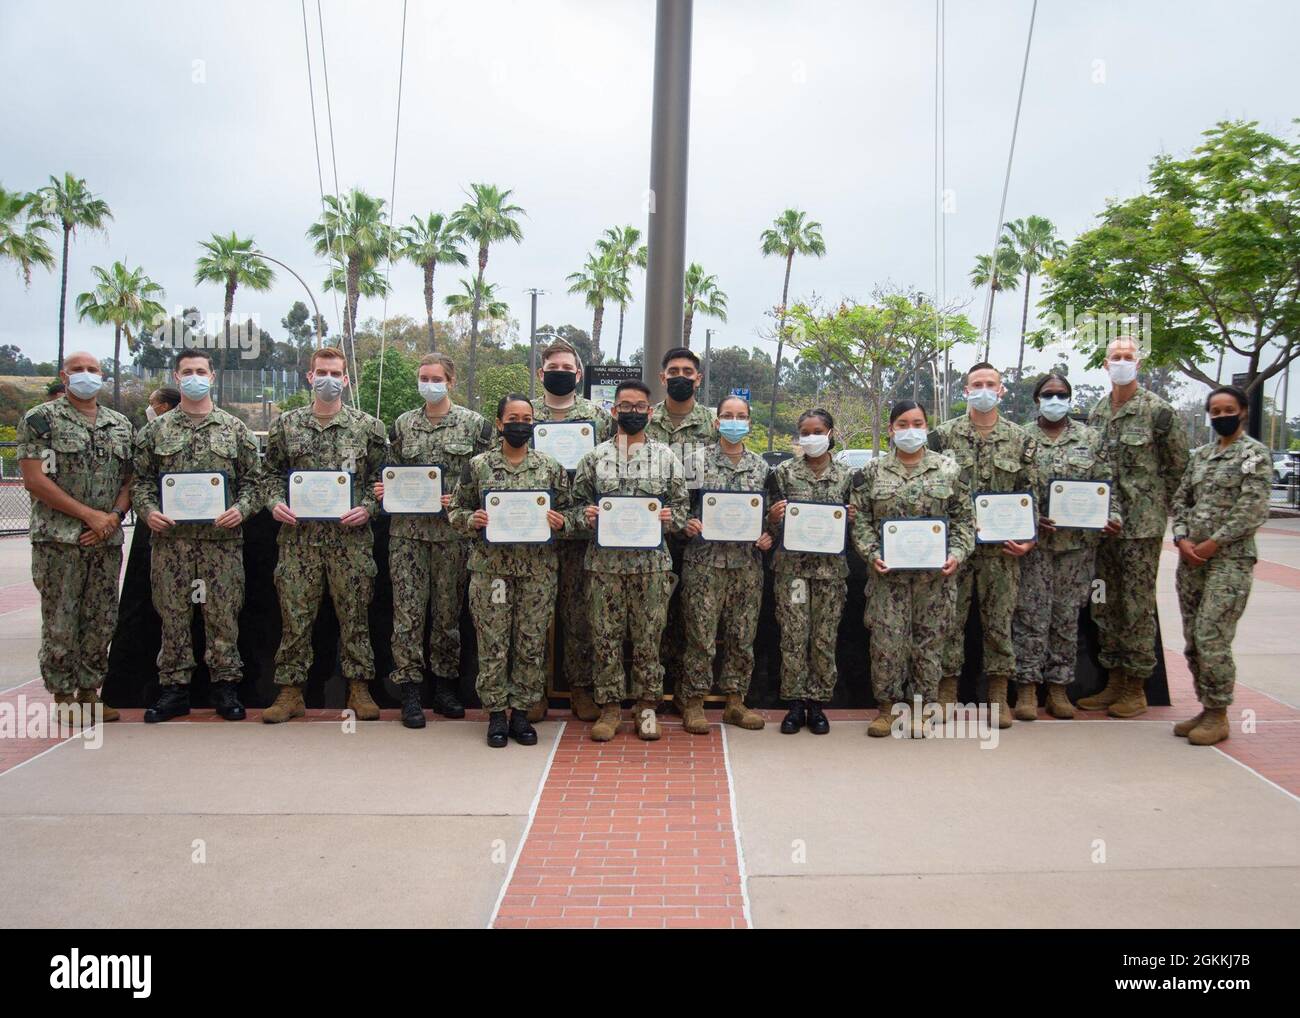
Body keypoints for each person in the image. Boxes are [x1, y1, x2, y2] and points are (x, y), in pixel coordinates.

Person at [131, 349, 264, 722]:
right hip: (171, 544)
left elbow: (254, 482)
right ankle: (174, 689)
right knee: (173, 615)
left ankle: (225, 686)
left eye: (200, 371)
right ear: (177, 377)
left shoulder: (234, 429)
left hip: (221, 545)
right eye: (187, 371)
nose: (194, 376)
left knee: (223, 615)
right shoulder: (155, 430)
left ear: (212, 377)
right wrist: (148, 511)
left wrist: (242, 509)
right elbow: (140, 482)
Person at [262, 347, 387, 723]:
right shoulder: (286, 425)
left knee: (355, 616)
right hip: (299, 543)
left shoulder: (368, 427)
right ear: (309, 377)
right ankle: (289, 691)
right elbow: (267, 475)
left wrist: (368, 507)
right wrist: (274, 503)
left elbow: (382, 481)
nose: (328, 379)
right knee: (295, 618)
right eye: (322, 372)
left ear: (346, 379)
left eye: (336, 373)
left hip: (351, 543)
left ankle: (359, 687)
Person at [449, 394, 574, 747]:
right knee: (493, 644)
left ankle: (522, 714)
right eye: (513, 418)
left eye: (527, 417)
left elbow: (574, 514)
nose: (521, 423)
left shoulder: (550, 467)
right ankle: (495, 715)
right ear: (500, 423)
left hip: (537, 572)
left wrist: (562, 521)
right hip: (493, 573)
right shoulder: (478, 466)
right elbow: (456, 510)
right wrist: (470, 519)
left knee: (530, 644)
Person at [17, 351, 133, 723]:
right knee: (61, 619)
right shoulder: (40, 420)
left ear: (103, 376)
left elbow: (131, 479)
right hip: (59, 540)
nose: (87, 375)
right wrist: (90, 516)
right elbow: (35, 480)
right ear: (64, 378)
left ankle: (90, 690)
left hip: (106, 539)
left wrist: (113, 517)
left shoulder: (120, 424)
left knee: (101, 618)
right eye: (78, 370)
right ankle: (63, 693)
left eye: (93, 370)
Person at [378, 353, 493, 726]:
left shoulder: (474, 426)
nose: (429, 384)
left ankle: (444, 687)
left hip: (452, 536)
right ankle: (410, 690)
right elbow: (390, 469)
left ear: (451, 381)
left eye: (436, 377)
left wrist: (460, 497)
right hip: (407, 536)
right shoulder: (403, 424)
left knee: (447, 615)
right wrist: (385, 488)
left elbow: (486, 480)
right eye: (423, 377)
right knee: (407, 614)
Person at [571, 379, 689, 742]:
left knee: (648, 639)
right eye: (626, 406)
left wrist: (672, 518)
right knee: (605, 638)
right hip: (604, 567)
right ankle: (609, 708)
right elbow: (572, 511)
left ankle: (646, 706)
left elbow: (683, 510)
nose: (633, 412)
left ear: (650, 412)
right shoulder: (593, 458)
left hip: (651, 567)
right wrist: (585, 516)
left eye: (640, 407)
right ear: (614, 410)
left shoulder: (667, 458)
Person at [1081, 336, 1189, 717]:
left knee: (1137, 605)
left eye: (1128, 357)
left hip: (1141, 528)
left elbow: (1179, 472)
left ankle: (1136, 686)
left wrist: (1172, 519)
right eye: (1116, 357)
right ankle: (1113, 680)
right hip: (1101, 527)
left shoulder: (1159, 412)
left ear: (1137, 365)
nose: (1122, 362)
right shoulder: (1096, 413)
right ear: (1105, 365)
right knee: (1105, 602)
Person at [850, 401, 972, 737]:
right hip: (888, 578)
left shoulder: (949, 470)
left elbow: (964, 520)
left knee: (928, 643)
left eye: (917, 423)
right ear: (891, 429)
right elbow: (860, 520)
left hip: (935, 579)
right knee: (887, 643)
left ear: (927, 427)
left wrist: (957, 554)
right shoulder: (872, 472)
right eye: (902, 423)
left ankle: (921, 709)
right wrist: (871, 552)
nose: (910, 430)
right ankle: (887, 709)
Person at [931, 362, 1039, 729]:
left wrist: (1029, 538)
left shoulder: (1021, 439)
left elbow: (1031, 492)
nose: (983, 389)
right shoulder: (942, 437)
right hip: (955, 550)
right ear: (965, 390)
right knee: (949, 621)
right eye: (976, 383)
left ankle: (998, 694)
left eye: (990, 383)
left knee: (999, 622)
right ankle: (947, 691)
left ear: (1002, 390)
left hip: (1001, 550)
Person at [1010, 373, 1121, 721]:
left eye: (1061, 394)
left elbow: (1106, 485)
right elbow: (1012, 491)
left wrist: (1111, 515)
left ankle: (1058, 689)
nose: (1054, 400)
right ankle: (1027, 689)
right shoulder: (1021, 439)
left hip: (1077, 548)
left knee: (1066, 618)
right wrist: (1028, 519)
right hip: (1035, 547)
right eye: (1048, 394)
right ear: (1037, 399)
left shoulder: (1090, 439)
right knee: (1030, 617)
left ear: (1070, 399)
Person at [1169, 385, 1270, 746]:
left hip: (1229, 559)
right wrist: (1181, 537)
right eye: (1215, 411)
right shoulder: (1200, 456)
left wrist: (1215, 542)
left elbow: (1253, 509)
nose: (1221, 416)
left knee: (1212, 634)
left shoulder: (1254, 455)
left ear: (1243, 411)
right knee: (1194, 637)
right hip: (1191, 558)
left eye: (1228, 409)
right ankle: (1206, 704)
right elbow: (1181, 500)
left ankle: (1219, 713)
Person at [530, 338, 614, 723]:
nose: (560, 374)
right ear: (540, 373)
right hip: (530, 533)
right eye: (554, 368)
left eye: (567, 369)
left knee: (580, 616)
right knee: (532, 616)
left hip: (581, 531)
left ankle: (581, 689)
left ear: (579, 375)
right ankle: (531, 692)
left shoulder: (599, 417)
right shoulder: (524, 414)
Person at [677, 394, 771, 734]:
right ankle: (694, 702)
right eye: (728, 415)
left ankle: (734, 702)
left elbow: (770, 514)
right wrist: (686, 522)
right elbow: (678, 505)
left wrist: (768, 535)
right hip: (703, 563)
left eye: (741, 415)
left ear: (749, 422)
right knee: (700, 636)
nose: (734, 421)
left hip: (746, 565)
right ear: (716, 422)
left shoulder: (761, 467)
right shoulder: (695, 462)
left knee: (741, 636)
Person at [765, 408, 856, 735]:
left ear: (830, 433)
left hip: (830, 572)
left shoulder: (846, 476)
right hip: (793, 571)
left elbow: (854, 524)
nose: (812, 437)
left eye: (818, 431)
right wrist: (773, 517)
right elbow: (768, 524)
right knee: (793, 637)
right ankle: (793, 705)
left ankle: (817, 705)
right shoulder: (783, 473)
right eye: (806, 432)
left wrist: (852, 517)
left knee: (823, 638)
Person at [645, 347, 718, 708]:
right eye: (673, 370)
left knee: (694, 619)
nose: (680, 377)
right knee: (653, 617)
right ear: (662, 378)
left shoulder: (713, 424)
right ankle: (651, 693)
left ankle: (690, 697)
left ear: (698, 378)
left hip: (698, 536)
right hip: (650, 534)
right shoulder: (645, 420)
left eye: (688, 371)